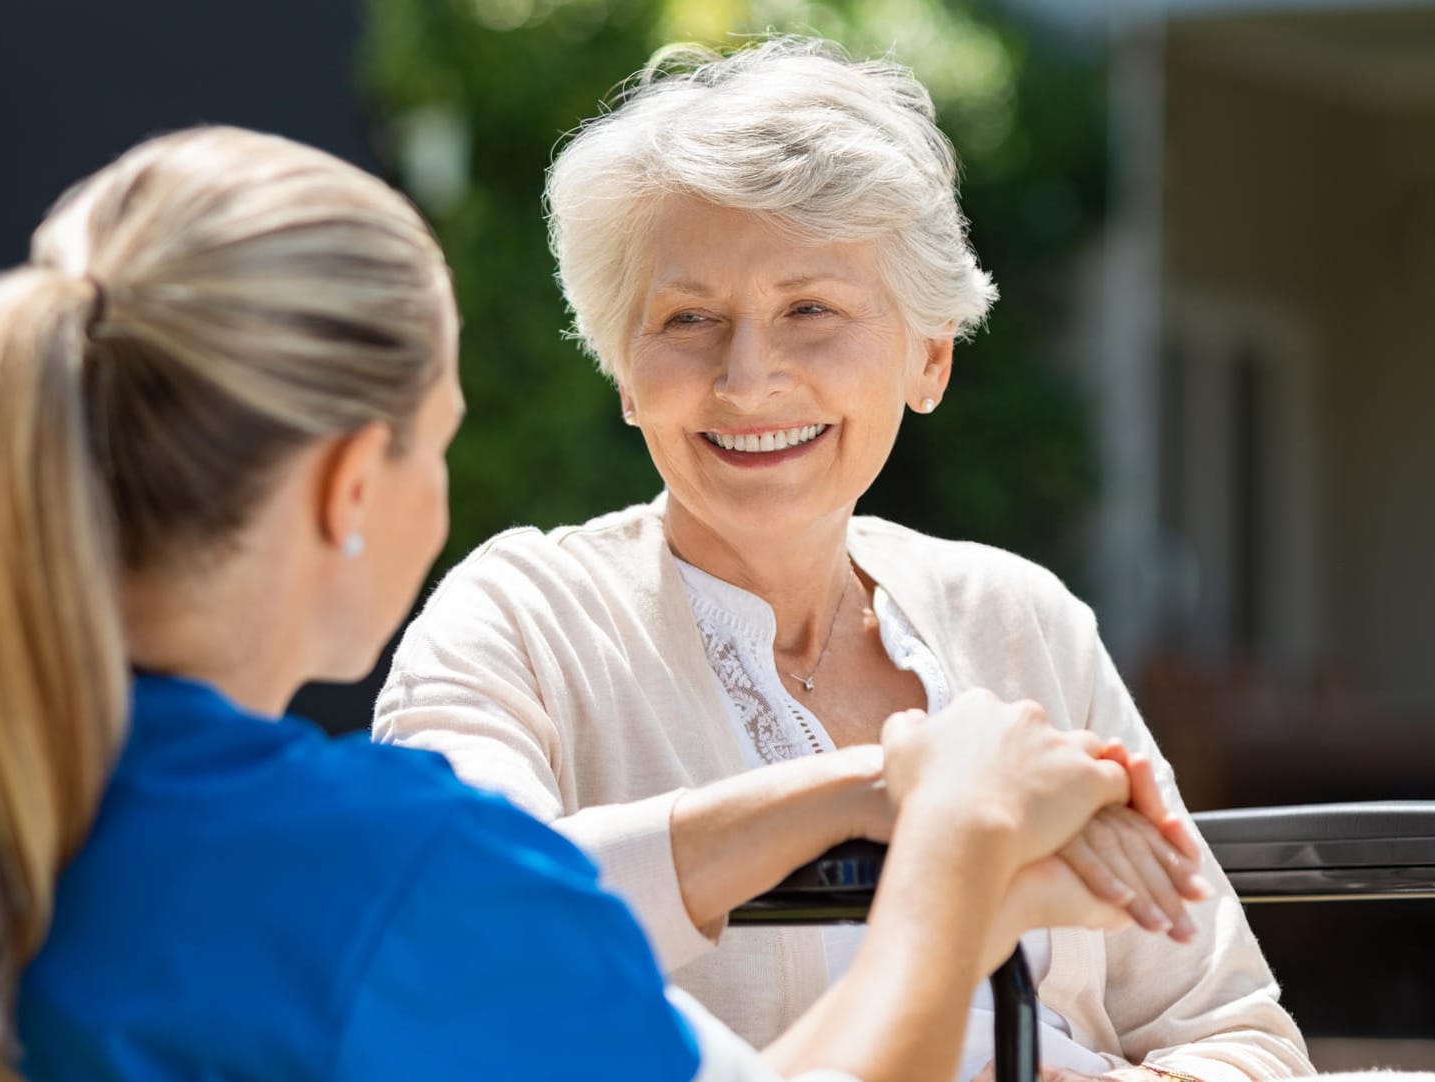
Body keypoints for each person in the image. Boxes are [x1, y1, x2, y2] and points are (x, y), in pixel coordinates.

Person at [0, 125, 1159, 1082]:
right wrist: (957, 852)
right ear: (356, 479)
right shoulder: (390, 877)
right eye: (441, 438)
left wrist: (860, 788)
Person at [372, 37, 1314, 1082]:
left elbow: (1232, 1032)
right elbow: (456, 924)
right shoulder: (519, 620)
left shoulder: (1020, 617)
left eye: (809, 310)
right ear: (624, 371)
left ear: (929, 355)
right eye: (689, 319)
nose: (747, 377)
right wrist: (896, 788)